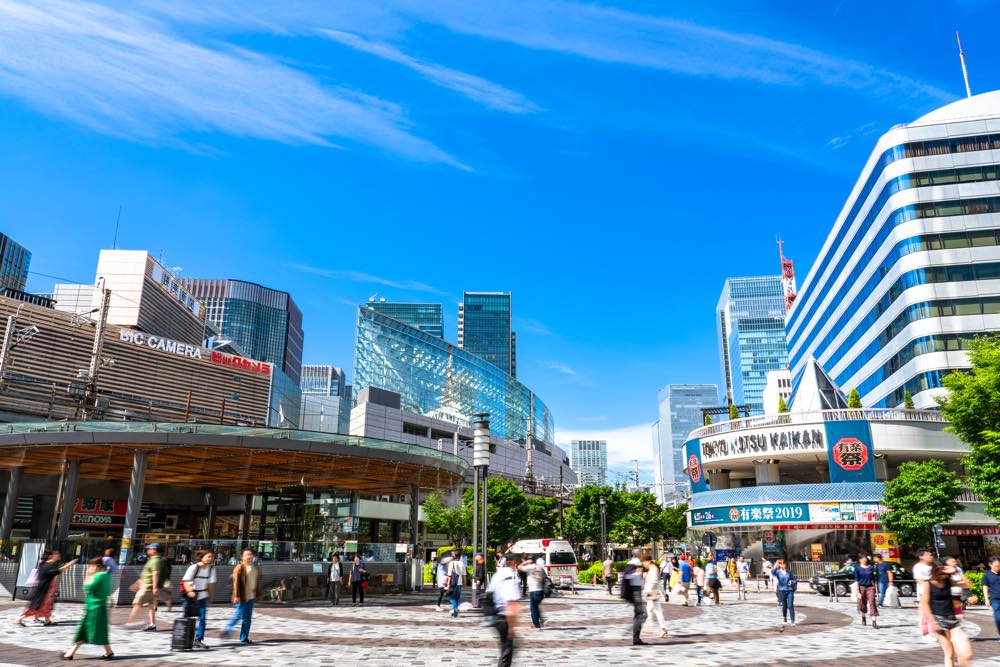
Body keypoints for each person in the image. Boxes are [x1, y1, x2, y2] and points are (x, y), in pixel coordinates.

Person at [920, 560, 972, 667]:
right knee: (949, 652)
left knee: (966, 653)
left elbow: (968, 584)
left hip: (952, 619)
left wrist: (956, 571)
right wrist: (930, 621)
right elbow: (924, 604)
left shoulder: (948, 581)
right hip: (938, 621)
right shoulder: (927, 584)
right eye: (941, 571)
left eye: (945, 572)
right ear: (934, 570)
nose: (944, 575)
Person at [61, 557, 113, 660]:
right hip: (95, 607)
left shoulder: (100, 575)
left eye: (91, 566)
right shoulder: (106, 575)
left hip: (96, 608)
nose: (90, 568)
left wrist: (88, 574)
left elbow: (88, 586)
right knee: (96, 630)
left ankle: (71, 652)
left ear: (97, 566)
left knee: (88, 630)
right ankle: (108, 651)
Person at [18, 549, 77, 626]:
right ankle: (20, 619)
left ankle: (47, 620)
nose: (58, 555)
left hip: (48, 591)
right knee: (38, 606)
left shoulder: (50, 564)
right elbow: (58, 571)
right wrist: (69, 564)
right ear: (50, 556)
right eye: (56, 554)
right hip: (45, 591)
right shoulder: (47, 566)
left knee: (47, 605)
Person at [221, 548, 261, 643]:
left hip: (251, 596)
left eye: (250, 554)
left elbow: (257, 582)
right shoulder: (239, 567)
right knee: (238, 614)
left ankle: (244, 637)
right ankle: (227, 629)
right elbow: (236, 583)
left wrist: (258, 594)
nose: (249, 556)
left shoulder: (255, 567)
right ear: (242, 556)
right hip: (242, 596)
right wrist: (236, 596)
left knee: (247, 618)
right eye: (246, 554)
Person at [488, 553, 521, 667]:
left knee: (505, 648)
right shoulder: (510, 577)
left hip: (495, 614)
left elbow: (489, 593)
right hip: (504, 618)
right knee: (507, 650)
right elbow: (511, 603)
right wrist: (512, 626)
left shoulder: (497, 575)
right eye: (517, 563)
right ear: (512, 563)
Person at [181, 550, 216, 649]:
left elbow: (210, 584)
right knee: (187, 618)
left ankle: (198, 640)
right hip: (191, 597)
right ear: (202, 557)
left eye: (212, 557)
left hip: (203, 596)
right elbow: (185, 581)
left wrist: (210, 596)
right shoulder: (193, 567)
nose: (210, 559)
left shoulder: (211, 569)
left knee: (203, 619)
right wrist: (189, 591)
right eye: (208, 556)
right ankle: (184, 638)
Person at [125, 544, 162, 631]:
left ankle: (131, 623)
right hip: (147, 586)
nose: (148, 550)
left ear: (154, 550)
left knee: (136, 603)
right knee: (151, 606)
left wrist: (155, 587)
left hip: (147, 587)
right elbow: (146, 574)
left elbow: (155, 573)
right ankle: (152, 624)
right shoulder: (152, 560)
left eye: (149, 548)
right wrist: (137, 583)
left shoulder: (155, 560)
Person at [640, 551, 668, 639]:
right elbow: (658, 583)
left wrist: (647, 591)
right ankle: (661, 628)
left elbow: (655, 582)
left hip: (652, 593)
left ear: (647, 561)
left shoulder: (653, 569)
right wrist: (664, 593)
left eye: (643, 562)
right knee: (653, 610)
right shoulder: (652, 569)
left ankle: (659, 628)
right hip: (652, 592)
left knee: (654, 610)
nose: (643, 565)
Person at [625, 549, 647, 645]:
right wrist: (637, 573)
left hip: (636, 590)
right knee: (641, 614)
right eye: (642, 553)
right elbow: (627, 576)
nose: (643, 554)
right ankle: (636, 638)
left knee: (639, 614)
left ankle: (636, 638)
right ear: (639, 554)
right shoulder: (634, 563)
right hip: (635, 591)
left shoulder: (636, 563)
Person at [519, 557, 546, 630]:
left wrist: (525, 562)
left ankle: (536, 625)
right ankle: (540, 619)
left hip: (533, 590)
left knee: (533, 608)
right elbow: (544, 577)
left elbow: (519, 567)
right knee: (536, 607)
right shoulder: (540, 567)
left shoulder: (529, 567)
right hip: (541, 590)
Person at [853, 555, 879, 628]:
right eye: (863, 559)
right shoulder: (857, 568)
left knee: (872, 602)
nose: (865, 560)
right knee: (862, 603)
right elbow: (856, 580)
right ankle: (863, 617)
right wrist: (857, 592)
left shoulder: (871, 568)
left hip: (870, 587)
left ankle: (874, 622)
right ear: (860, 560)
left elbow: (873, 579)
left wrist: (874, 587)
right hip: (861, 587)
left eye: (866, 559)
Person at [772, 559, 797, 629]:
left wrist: (791, 582)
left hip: (789, 590)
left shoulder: (789, 572)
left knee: (790, 605)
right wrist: (775, 566)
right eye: (781, 564)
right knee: (784, 606)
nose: (783, 565)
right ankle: (785, 618)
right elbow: (772, 572)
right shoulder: (778, 572)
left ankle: (793, 621)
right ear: (779, 565)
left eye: (784, 564)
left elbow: (794, 580)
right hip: (781, 591)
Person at [981, 556, 1000, 639]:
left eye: (999, 566)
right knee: (998, 618)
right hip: (995, 600)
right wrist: (986, 599)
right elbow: (985, 587)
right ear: (990, 565)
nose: (998, 568)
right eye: (996, 566)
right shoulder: (987, 575)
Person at [446, 549, 464, 617]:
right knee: (457, 597)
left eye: (452, 554)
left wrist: (448, 584)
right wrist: (464, 583)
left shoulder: (451, 563)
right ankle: (455, 609)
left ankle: (455, 608)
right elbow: (464, 574)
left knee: (452, 597)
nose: (451, 556)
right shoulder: (462, 563)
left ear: (455, 556)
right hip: (459, 582)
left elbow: (449, 575)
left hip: (453, 582)